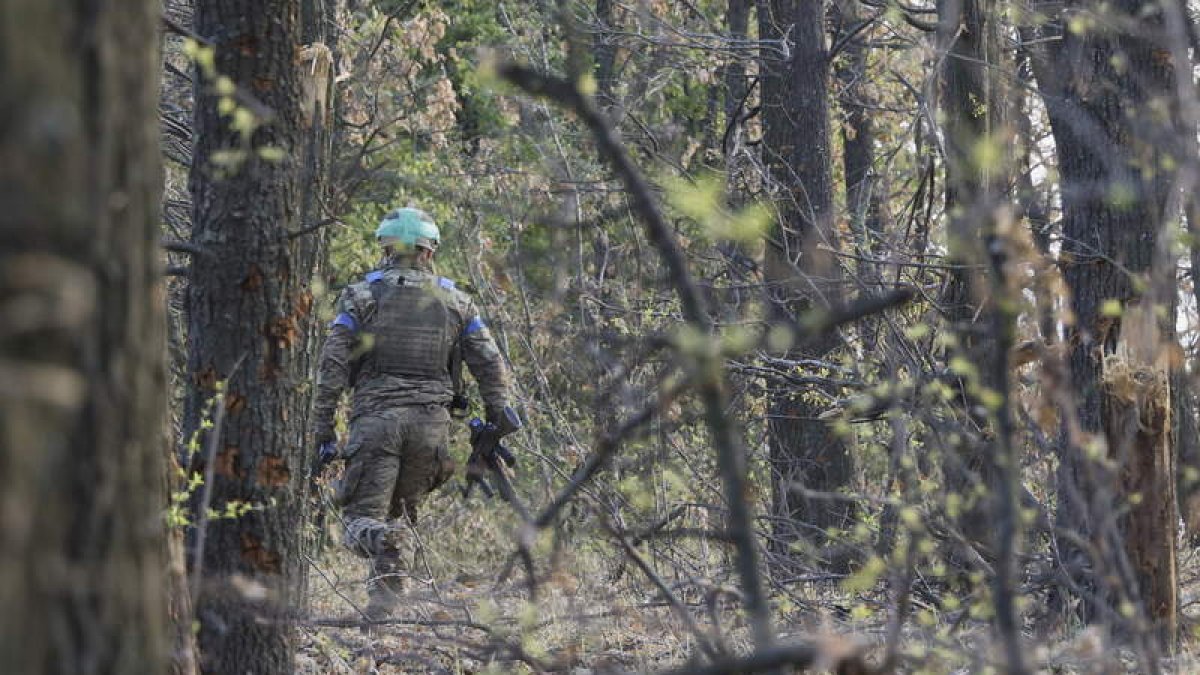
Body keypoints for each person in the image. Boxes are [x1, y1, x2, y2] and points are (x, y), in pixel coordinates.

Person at [310, 206, 511, 619]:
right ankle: (382, 613)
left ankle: (380, 564)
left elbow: (331, 366)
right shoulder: (457, 301)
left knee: (360, 523)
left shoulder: (360, 296)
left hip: (376, 423)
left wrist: (322, 429)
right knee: (402, 523)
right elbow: (490, 364)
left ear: (385, 247)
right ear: (429, 251)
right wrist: (495, 420)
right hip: (430, 428)